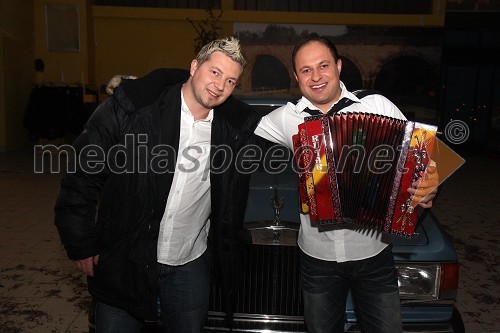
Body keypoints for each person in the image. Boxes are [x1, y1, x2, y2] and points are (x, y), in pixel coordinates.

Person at [54, 37, 261, 333]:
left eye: (230, 81)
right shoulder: (134, 109)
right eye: (215, 72)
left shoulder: (232, 130)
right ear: (194, 66)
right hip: (126, 257)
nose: (220, 86)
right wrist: (80, 241)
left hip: (190, 263)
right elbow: (82, 173)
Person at [254, 34, 440, 333]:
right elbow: (234, 127)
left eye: (323, 65)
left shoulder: (377, 104)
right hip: (317, 259)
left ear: (338, 66)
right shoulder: (285, 118)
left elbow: (422, 157)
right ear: (296, 76)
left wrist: (430, 186)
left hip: (374, 253)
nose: (316, 77)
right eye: (306, 70)